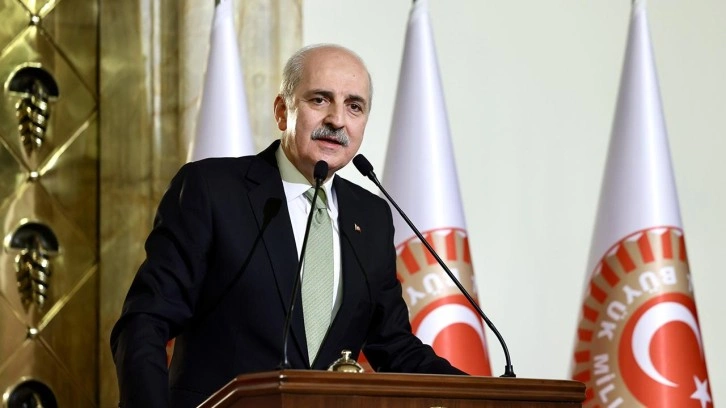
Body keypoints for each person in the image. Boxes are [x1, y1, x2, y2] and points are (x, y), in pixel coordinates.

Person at [110, 43, 465, 408]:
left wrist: (484, 395)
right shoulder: (213, 190)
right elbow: (145, 320)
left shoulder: (371, 216)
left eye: (354, 106)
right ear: (282, 111)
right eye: (320, 100)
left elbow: (394, 346)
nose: (337, 120)